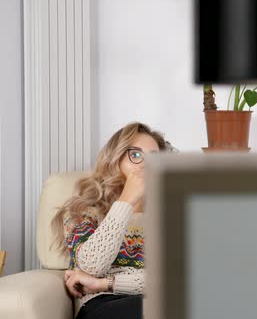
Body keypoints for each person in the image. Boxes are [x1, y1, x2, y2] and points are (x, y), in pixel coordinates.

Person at [51, 122, 174, 319]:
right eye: (135, 155)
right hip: (104, 305)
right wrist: (126, 201)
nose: (144, 165)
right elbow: (91, 266)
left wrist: (104, 283)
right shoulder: (82, 211)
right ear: (114, 160)